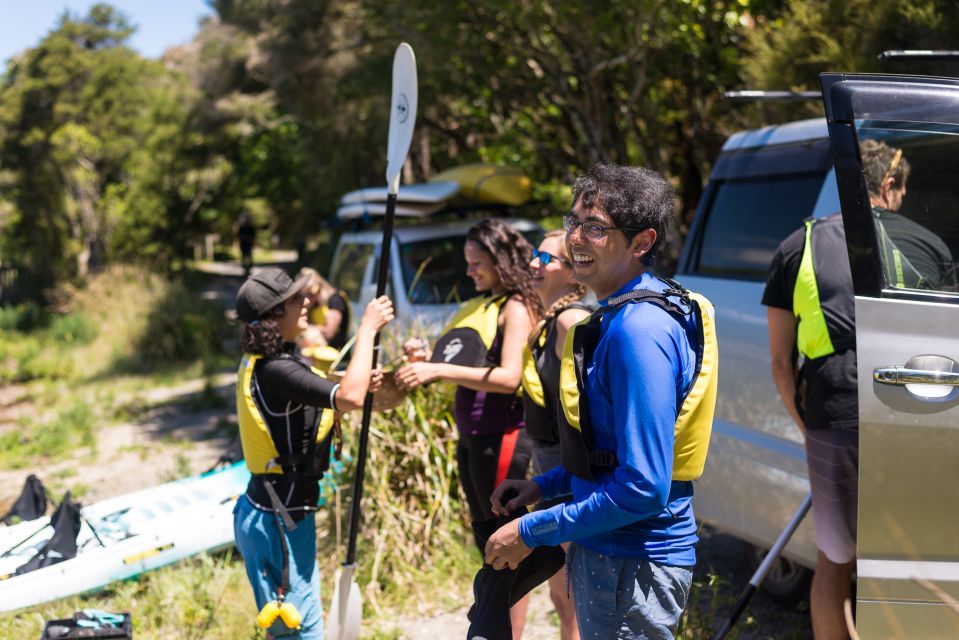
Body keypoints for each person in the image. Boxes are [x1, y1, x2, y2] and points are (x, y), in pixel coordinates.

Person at [485, 164, 713, 639]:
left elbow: (644, 487)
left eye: (595, 227)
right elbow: (611, 455)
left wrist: (529, 531)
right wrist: (544, 486)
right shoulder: (618, 314)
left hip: (632, 564)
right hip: (614, 554)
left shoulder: (639, 330)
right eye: (573, 223)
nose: (576, 239)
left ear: (641, 242)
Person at [394, 218, 541, 639]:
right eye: (468, 262)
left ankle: (496, 630)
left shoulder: (515, 305)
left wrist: (436, 368)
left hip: (505, 435)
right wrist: (423, 355)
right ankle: (498, 628)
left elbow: (511, 377)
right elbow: (465, 359)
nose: (470, 271)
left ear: (499, 260)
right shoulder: (480, 304)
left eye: (477, 263)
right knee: (487, 536)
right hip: (472, 437)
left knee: (505, 539)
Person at [233, 267, 393, 640]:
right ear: (274, 316)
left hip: (274, 513)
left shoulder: (271, 364)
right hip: (278, 520)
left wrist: (357, 377)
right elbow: (349, 398)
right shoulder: (275, 370)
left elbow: (318, 398)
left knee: (286, 626)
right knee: (300, 630)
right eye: (293, 300)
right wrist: (367, 329)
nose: (305, 302)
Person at [763, 213, 860, 636]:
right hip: (911, 410)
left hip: (829, 415)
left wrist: (808, 430)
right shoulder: (911, 241)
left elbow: (781, 366)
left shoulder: (795, 244)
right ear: (891, 186)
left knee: (835, 561)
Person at [520, 231, 590, 640]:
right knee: (561, 588)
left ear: (573, 274)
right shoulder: (549, 320)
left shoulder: (571, 320)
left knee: (574, 587)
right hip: (549, 463)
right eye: (533, 254)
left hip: (568, 466)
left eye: (546, 259)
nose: (534, 263)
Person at [860, 139, 953, 290]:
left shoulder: (824, 234)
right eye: (902, 190)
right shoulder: (933, 245)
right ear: (888, 186)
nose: (904, 193)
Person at [296, 268, 351, 352]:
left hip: (334, 353)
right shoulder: (315, 303)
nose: (307, 299)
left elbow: (329, 332)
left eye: (310, 294)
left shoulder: (335, 300)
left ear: (318, 288)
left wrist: (310, 328)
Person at [238, 212, 257, 278]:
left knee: (249, 258)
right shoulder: (241, 228)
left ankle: (248, 270)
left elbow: (253, 236)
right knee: (244, 258)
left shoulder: (251, 228)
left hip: (249, 245)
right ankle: (245, 270)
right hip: (243, 245)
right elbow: (238, 236)